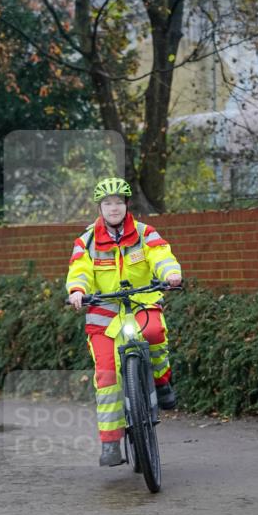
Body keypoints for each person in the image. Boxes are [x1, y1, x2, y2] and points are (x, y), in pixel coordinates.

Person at [66, 177, 182, 467]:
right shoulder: (87, 240)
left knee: (155, 332)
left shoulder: (145, 233)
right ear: (100, 207)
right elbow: (79, 269)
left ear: (127, 205)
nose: (113, 207)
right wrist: (78, 291)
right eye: (108, 203)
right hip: (103, 314)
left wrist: (171, 274)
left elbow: (161, 256)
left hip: (141, 303)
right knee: (106, 375)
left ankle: (162, 381)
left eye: (118, 202)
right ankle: (110, 442)